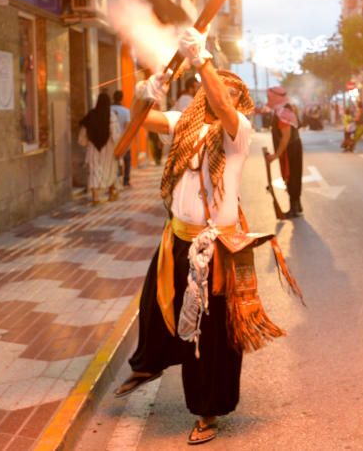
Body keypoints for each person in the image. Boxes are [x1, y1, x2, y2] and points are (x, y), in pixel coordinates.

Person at [114, 28, 300, 445]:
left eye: (230, 93)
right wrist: (147, 95)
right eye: (219, 92)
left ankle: (208, 410)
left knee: (210, 337)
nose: (222, 98)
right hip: (177, 240)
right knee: (159, 309)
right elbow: (141, 121)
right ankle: (150, 364)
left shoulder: (239, 133)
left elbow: (219, 102)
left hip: (216, 248)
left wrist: (201, 62)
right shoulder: (186, 125)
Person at [78, 92, 122, 204]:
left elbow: (84, 131)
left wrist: (83, 142)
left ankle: (95, 197)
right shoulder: (111, 115)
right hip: (109, 149)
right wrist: (119, 146)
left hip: (93, 149)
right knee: (110, 170)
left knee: (94, 172)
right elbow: (115, 134)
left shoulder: (91, 114)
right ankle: (112, 193)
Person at [266, 86, 304, 216]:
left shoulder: (283, 112)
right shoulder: (283, 109)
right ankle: (297, 205)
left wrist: (276, 155)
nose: (268, 99)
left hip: (290, 149)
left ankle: (294, 208)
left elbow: (286, 136)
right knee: (294, 176)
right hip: (292, 147)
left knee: (291, 177)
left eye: (270, 97)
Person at [111, 90, 132, 187]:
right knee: (126, 160)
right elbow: (128, 127)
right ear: (122, 98)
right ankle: (126, 180)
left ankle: (115, 179)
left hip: (111, 140)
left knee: (114, 160)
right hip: (123, 139)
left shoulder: (108, 109)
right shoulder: (126, 111)